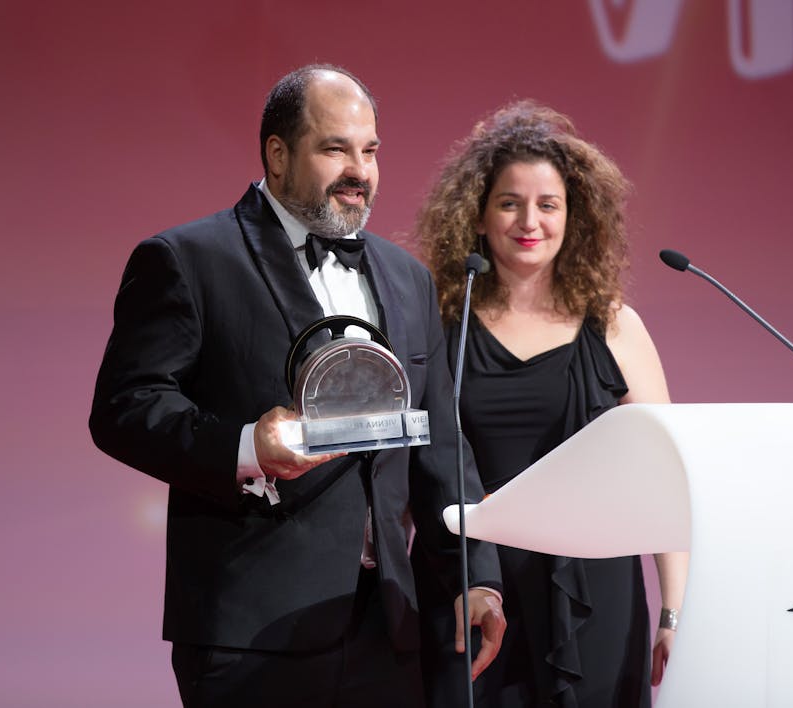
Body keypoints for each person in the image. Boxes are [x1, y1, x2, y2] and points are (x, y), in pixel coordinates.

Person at [89, 64, 506, 708]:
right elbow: (124, 407)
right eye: (335, 148)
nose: (360, 170)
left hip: (386, 629)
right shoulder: (188, 259)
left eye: (369, 150)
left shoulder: (407, 278)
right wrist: (245, 446)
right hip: (251, 635)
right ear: (277, 156)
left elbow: (442, 448)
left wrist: (474, 576)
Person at [413, 101, 689, 707]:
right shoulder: (440, 326)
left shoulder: (614, 326)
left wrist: (675, 611)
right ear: (479, 218)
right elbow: (416, 469)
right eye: (509, 203)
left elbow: (668, 482)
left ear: (574, 217)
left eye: (548, 205)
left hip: (594, 594)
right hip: (468, 587)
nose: (528, 221)